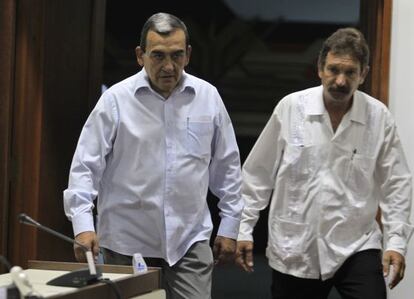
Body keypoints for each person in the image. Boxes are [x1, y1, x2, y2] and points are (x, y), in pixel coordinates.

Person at [63, 12, 243, 299]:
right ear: (140, 55)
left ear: (189, 55)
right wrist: (82, 225)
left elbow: (228, 167)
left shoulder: (208, 97)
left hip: (189, 239)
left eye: (177, 55)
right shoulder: (115, 100)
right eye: (158, 56)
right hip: (125, 241)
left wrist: (231, 225)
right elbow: (85, 167)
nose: (169, 66)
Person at [236, 27, 413, 299]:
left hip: (356, 243)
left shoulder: (378, 117)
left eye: (350, 72)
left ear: (363, 74)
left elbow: (397, 184)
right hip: (296, 245)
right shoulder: (291, 108)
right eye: (333, 70)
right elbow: (258, 174)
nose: (340, 81)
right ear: (320, 68)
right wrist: (244, 228)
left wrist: (396, 244)